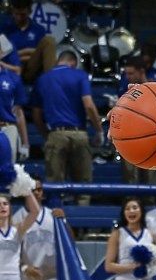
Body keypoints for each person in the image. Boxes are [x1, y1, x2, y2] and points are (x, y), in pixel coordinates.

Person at [32, 50, 104, 203]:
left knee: (54, 186)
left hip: (55, 133)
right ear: (74, 62)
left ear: (59, 60)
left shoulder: (43, 79)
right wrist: (98, 130)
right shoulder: (79, 75)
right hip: (79, 133)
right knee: (84, 187)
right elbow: (89, 105)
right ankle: (82, 225)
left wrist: (47, 135)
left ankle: (56, 223)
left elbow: (36, 115)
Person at [117, 58, 156, 185]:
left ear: (141, 71)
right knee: (131, 184)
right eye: (126, 74)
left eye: (131, 73)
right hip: (130, 140)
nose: (127, 77)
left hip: (153, 140)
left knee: (152, 184)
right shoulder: (125, 89)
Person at [3, 0, 58, 84]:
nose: (19, 18)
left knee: (49, 41)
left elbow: (41, 55)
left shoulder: (38, 29)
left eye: (22, 14)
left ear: (30, 11)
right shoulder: (5, 29)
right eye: (16, 14)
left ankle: (51, 83)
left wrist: (18, 53)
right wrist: (24, 53)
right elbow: (3, 55)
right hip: (11, 67)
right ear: (12, 11)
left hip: (31, 69)